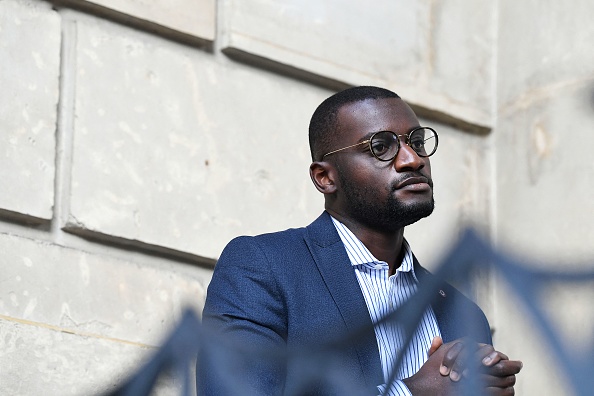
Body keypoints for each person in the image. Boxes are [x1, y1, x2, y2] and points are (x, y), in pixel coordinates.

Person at [198, 86, 522, 395]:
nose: (412, 159)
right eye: (380, 147)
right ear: (325, 178)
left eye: (417, 141)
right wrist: (410, 391)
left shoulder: (461, 311)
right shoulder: (264, 268)